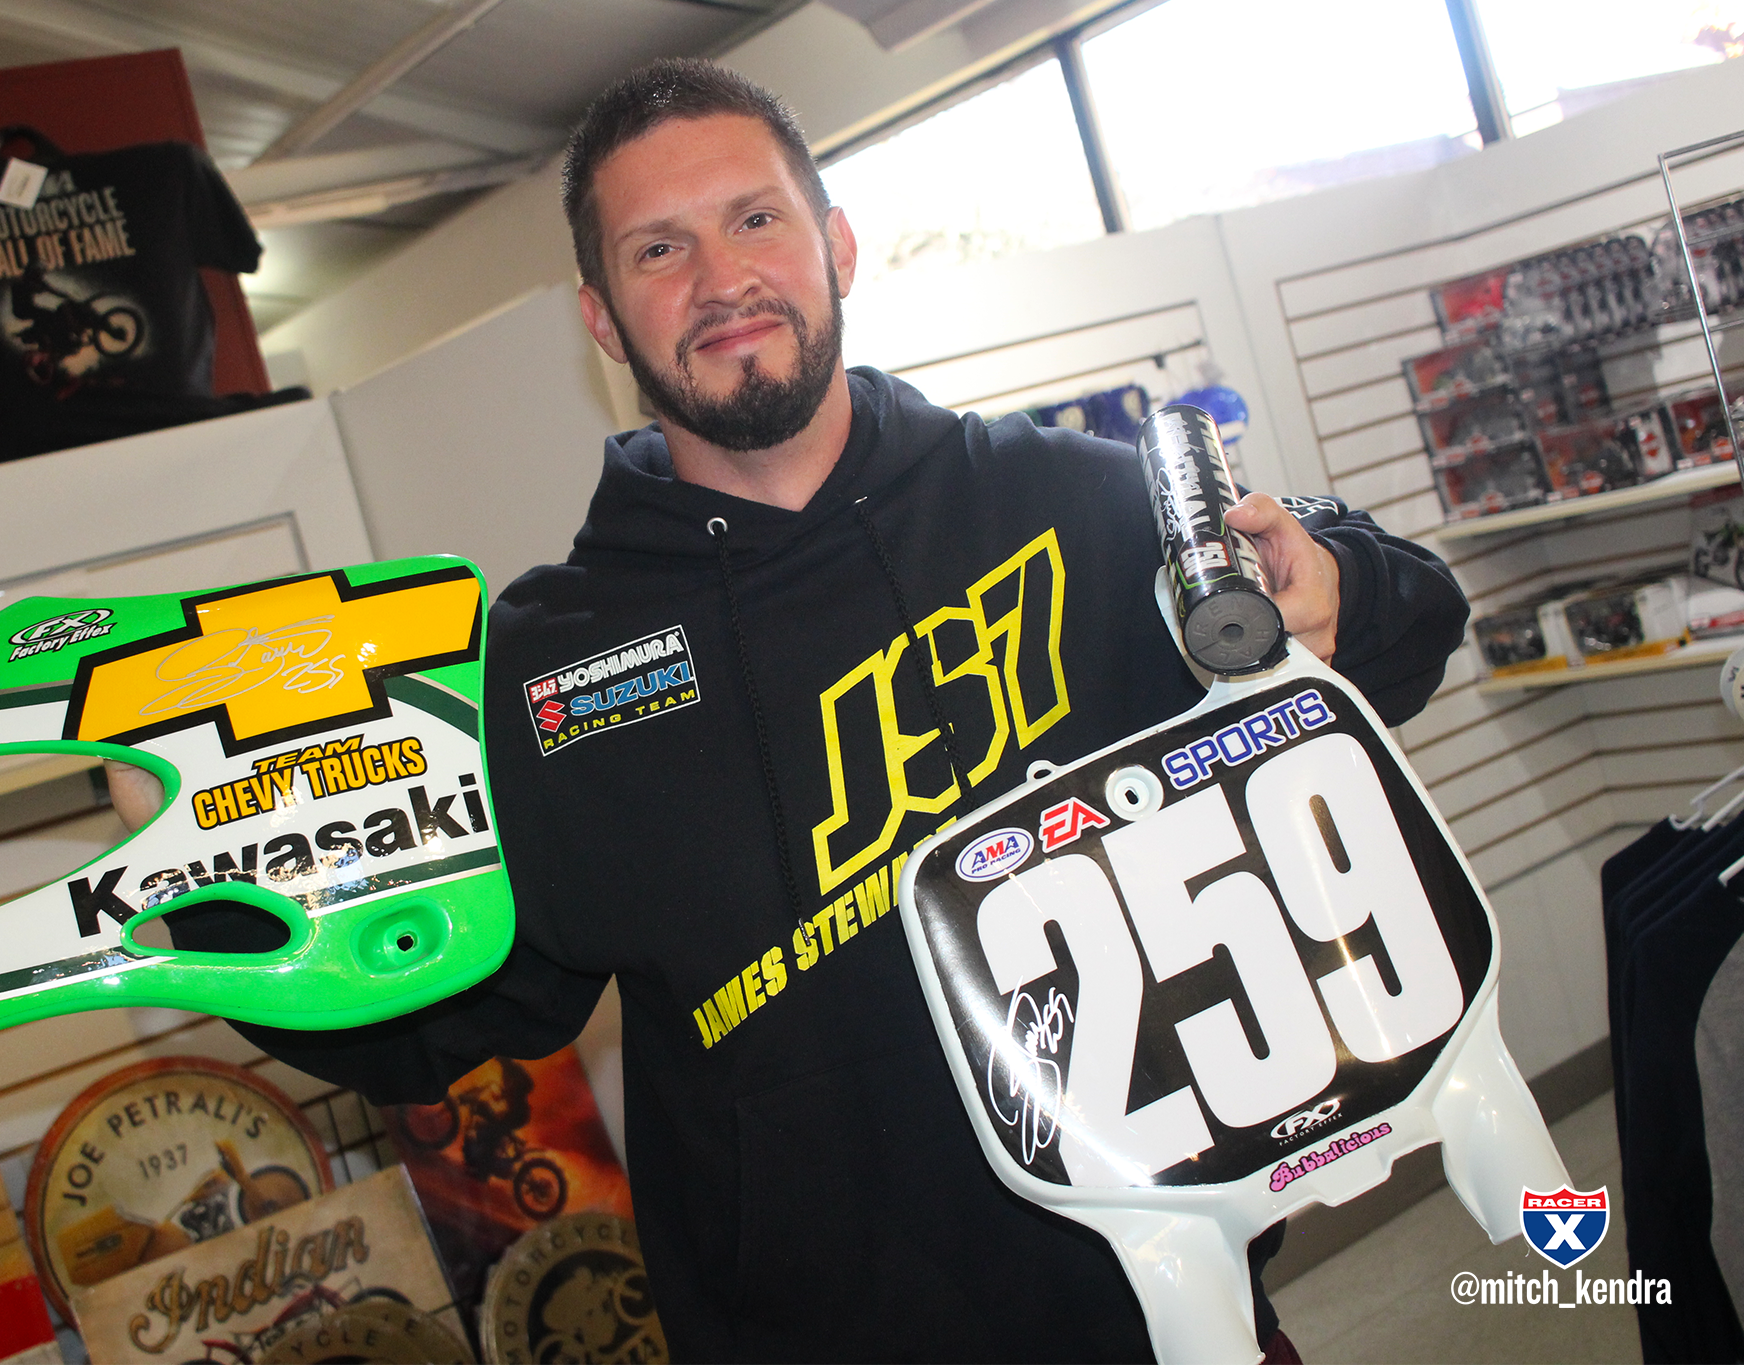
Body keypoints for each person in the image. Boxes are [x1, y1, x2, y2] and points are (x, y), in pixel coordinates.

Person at [110, 58, 1469, 1364]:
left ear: (837, 246)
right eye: (658, 249)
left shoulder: (1068, 504)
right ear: (602, 320)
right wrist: (202, 894)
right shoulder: (539, 675)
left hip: (1180, 1319)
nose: (720, 279)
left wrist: (1337, 584)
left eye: (753, 219)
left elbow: (1393, 638)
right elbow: (436, 1020)